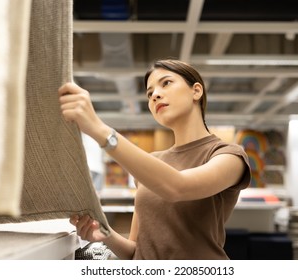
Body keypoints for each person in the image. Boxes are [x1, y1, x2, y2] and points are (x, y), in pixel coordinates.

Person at [58, 59, 251, 260]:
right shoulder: (152, 163)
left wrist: (100, 130)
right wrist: (105, 234)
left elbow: (178, 187)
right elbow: (135, 250)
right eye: (149, 94)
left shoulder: (229, 155)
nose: (155, 95)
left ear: (196, 91)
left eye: (166, 83)